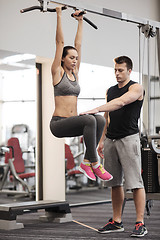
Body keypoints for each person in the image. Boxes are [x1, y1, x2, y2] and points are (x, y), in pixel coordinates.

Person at [80, 56, 147, 237]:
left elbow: (121, 102)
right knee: (114, 182)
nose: (117, 74)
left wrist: (95, 109)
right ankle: (116, 221)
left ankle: (140, 223)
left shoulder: (136, 88)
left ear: (129, 71)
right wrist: (102, 140)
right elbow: (108, 118)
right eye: (115, 70)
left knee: (135, 183)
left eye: (121, 70)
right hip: (111, 140)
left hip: (129, 139)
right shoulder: (110, 90)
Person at [49, 6, 113, 182]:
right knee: (89, 119)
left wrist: (80, 21)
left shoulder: (75, 72)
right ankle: (94, 162)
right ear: (63, 58)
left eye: (76, 58)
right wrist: (59, 15)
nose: (75, 60)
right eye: (71, 57)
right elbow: (60, 43)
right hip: (58, 123)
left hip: (72, 122)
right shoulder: (57, 72)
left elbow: (78, 45)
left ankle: (86, 161)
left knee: (99, 118)